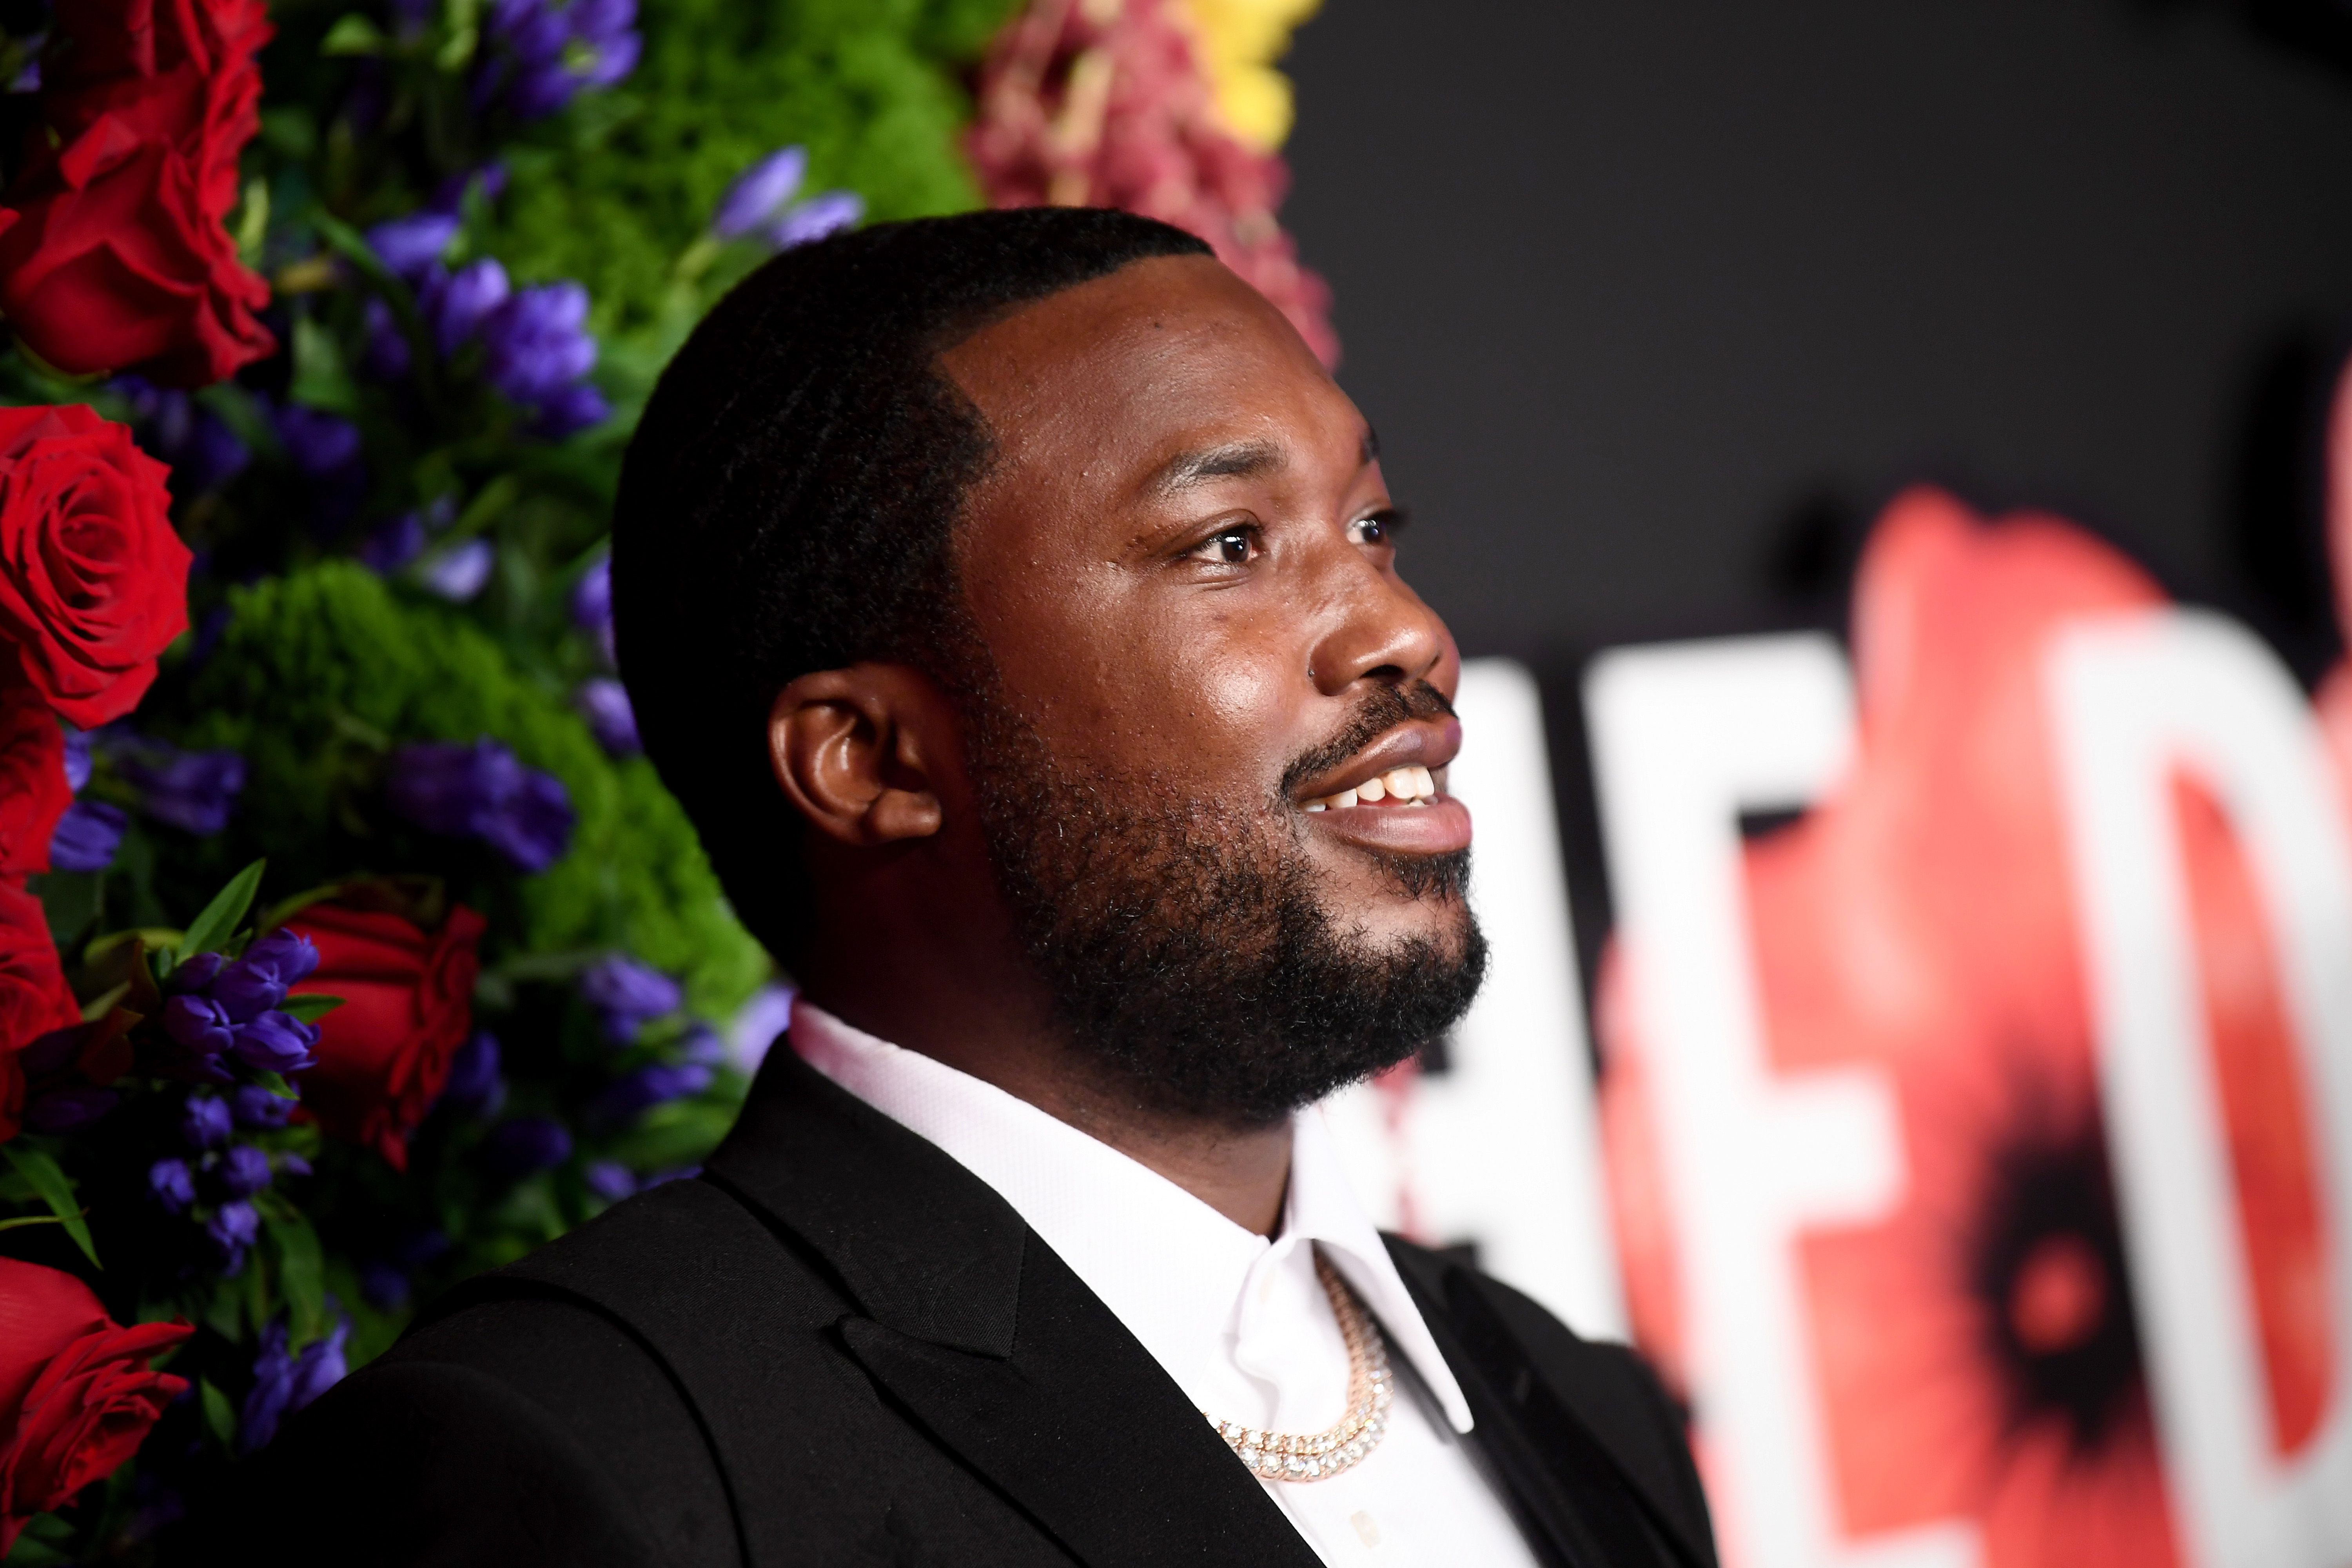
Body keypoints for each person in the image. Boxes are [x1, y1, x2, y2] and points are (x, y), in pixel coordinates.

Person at [224, 207, 1717, 1568]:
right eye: (1232, 544)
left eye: (1375, 528)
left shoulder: (1580, 1406)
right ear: (870, 758)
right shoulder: (574, 1451)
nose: (1404, 633)